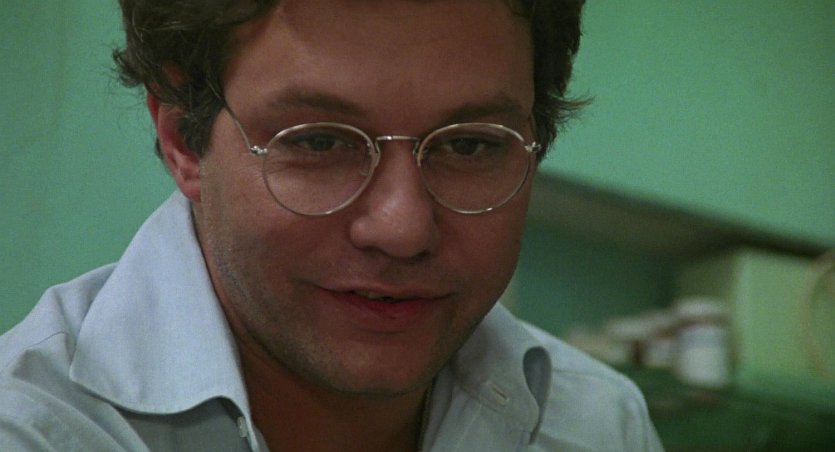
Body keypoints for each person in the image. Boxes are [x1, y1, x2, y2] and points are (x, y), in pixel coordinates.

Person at [0, 0, 663, 450]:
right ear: (183, 143)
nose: (403, 229)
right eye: (319, 141)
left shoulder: (598, 425)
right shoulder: (33, 428)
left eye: (469, 145)